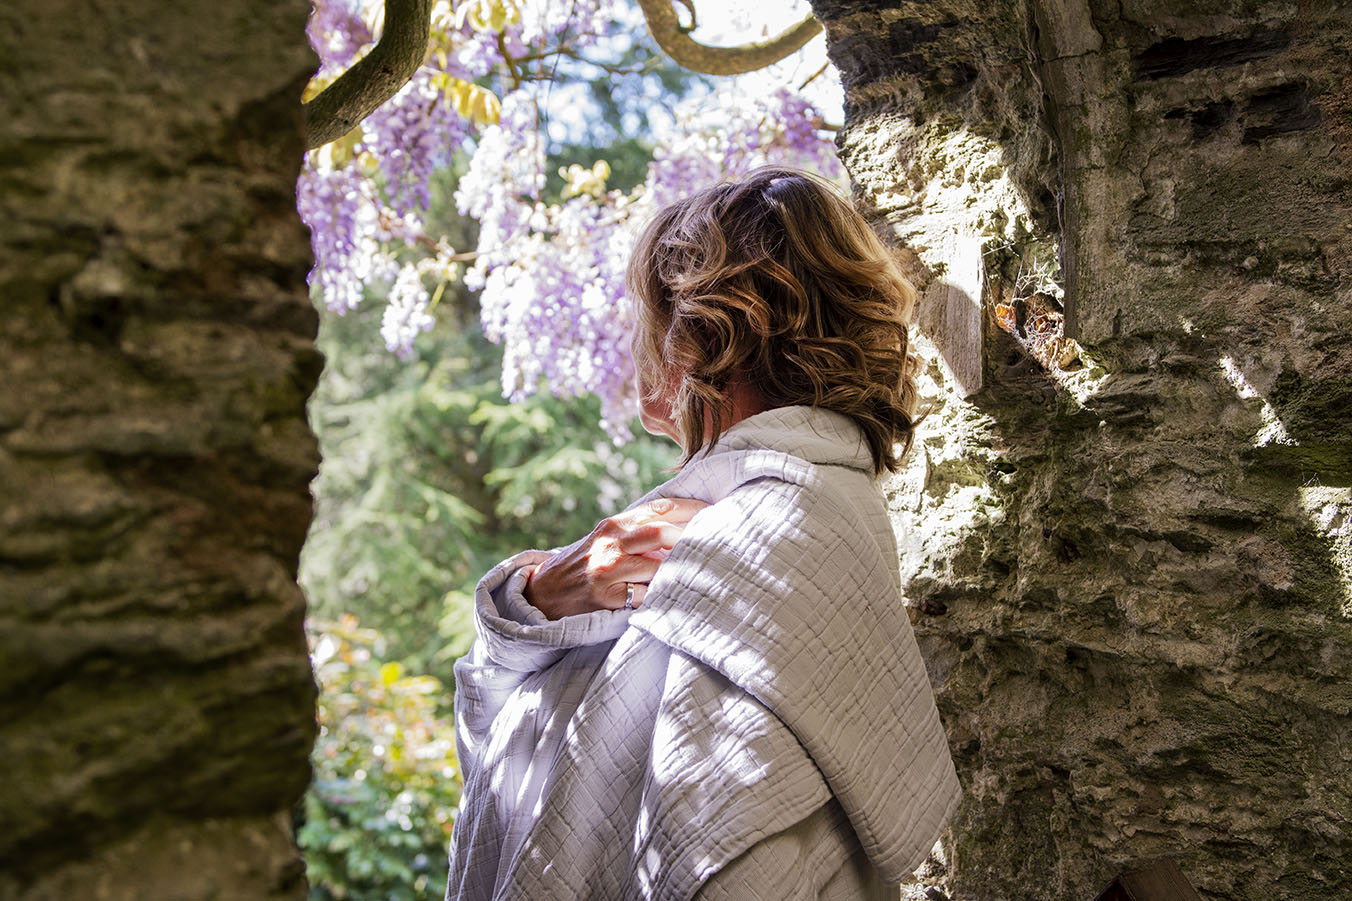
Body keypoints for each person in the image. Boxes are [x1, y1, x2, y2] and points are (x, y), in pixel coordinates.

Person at [445, 166, 962, 900]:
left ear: (700, 334)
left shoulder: (764, 528)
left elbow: (721, 842)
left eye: (645, 315)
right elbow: (506, 771)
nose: (634, 344)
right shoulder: (753, 508)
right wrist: (534, 604)